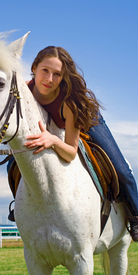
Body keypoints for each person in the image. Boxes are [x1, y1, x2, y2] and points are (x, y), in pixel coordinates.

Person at [22, 45, 138, 242]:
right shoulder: (25, 91)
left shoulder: (70, 103)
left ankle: (135, 216)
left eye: (57, 74)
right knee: (17, 157)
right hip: (54, 124)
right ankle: (21, 206)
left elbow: (70, 152)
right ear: (34, 67)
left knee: (121, 170)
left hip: (87, 121)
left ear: (64, 76)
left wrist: (53, 140)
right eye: (45, 71)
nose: (50, 79)